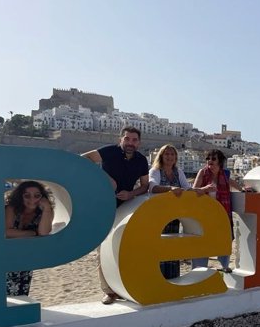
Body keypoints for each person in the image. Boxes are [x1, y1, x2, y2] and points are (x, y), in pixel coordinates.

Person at [82, 126, 149, 304]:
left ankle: (123, 286)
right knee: (103, 249)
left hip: (125, 207)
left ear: (139, 143)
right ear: (121, 139)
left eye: (134, 140)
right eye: (127, 139)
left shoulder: (141, 160)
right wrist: (103, 178)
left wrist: (131, 194)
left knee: (123, 248)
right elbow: (84, 159)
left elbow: (145, 186)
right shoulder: (109, 151)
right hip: (103, 205)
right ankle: (108, 291)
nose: (130, 143)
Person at [192, 149, 243, 273]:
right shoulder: (203, 173)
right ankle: (199, 269)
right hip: (205, 215)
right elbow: (193, 190)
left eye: (213, 159)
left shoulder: (225, 174)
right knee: (203, 241)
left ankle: (224, 265)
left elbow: (233, 183)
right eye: (208, 159)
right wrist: (205, 188)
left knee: (224, 239)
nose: (210, 161)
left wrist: (243, 189)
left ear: (220, 161)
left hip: (222, 214)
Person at [149, 144, 192, 279]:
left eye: (172, 154)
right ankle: (159, 278)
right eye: (167, 154)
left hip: (174, 215)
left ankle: (173, 279)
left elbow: (186, 188)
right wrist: (170, 189)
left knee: (173, 247)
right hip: (158, 215)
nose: (170, 157)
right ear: (161, 156)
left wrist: (201, 190)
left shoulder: (178, 172)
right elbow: (153, 188)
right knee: (160, 247)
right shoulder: (155, 171)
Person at [4, 181, 55, 297]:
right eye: (27, 195)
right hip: (4, 255)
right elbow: (6, 232)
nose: (32, 199)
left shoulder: (45, 211)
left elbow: (43, 232)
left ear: (43, 197)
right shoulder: (11, 209)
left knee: (20, 293)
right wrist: (31, 233)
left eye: (37, 195)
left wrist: (47, 208)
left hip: (25, 256)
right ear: (20, 196)